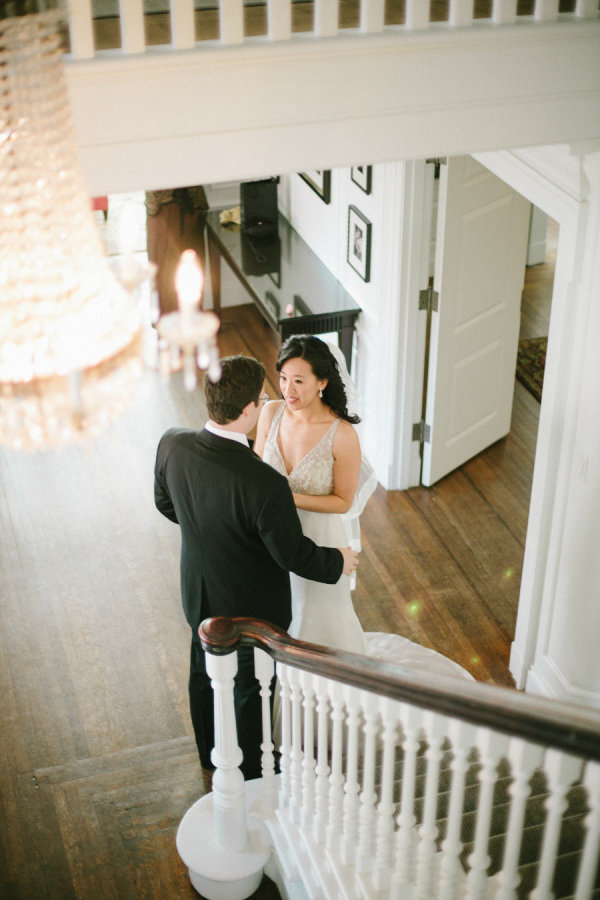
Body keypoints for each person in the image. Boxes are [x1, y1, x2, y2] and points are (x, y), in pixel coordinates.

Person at [154, 354, 359, 781]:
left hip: (198, 588)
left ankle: (208, 753)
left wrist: (207, 530)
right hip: (251, 604)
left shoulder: (171, 443)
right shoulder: (264, 483)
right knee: (249, 687)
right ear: (249, 410)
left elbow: (165, 503)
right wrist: (339, 560)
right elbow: (293, 555)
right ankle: (249, 774)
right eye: (264, 396)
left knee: (200, 669)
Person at [255, 335, 475, 682]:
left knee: (318, 619)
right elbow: (255, 474)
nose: (288, 389)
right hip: (269, 533)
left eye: (299, 380)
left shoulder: (341, 434)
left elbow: (343, 500)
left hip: (319, 537)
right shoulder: (270, 413)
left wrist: (285, 497)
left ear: (322, 382)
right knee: (276, 614)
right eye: (283, 377)